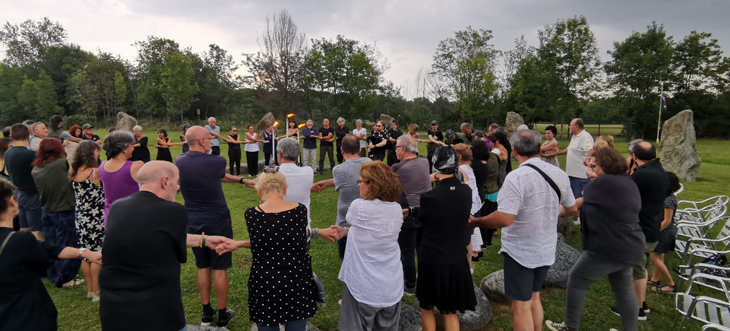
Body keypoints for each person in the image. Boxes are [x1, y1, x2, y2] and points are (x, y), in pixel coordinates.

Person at [99, 161, 234, 331]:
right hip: (156, 308)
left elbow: (157, 234)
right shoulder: (174, 211)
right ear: (165, 182)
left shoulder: (118, 206)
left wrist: (205, 240)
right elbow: (177, 251)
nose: (177, 188)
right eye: (176, 182)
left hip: (114, 308)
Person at [469, 130, 577, 331]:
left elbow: (504, 218)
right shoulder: (558, 174)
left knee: (521, 308)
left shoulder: (516, 177)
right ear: (538, 148)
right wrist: (554, 212)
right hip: (545, 248)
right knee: (534, 297)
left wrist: (476, 222)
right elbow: (572, 208)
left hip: (521, 252)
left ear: (515, 151)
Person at [545, 148, 644, 331]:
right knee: (624, 291)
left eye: (594, 165)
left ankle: (570, 326)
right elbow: (583, 202)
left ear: (604, 165)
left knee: (576, 278)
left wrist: (557, 211)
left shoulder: (603, 183)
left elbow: (574, 207)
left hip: (608, 247)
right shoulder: (626, 181)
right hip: (630, 245)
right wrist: (565, 208)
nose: (591, 168)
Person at [176, 126, 254, 327]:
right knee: (219, 268)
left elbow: (219, 176)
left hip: (192, 221)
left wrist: (242, 180)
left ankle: (206, 314)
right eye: (209, 138)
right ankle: (221, 315)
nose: (212, 141)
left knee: (202, 266)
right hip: (218, 220)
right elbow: (217, 173)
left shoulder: (180, 161)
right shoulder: (218, 161)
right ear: (202, 141)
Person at [0, 179, 102, 331]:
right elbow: (43, 264)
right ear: (12, 201)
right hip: (27, 318)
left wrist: (83, 252)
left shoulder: (17, 241)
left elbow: (46, 247)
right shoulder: (19, 240)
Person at [335, 161, 404, 331]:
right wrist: (346, 232)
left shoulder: (359, 207)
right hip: (391, 285)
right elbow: (373, 231)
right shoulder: (396, 209)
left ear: (372, 184)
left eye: (361, 182)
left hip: (363, 286)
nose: (359, 186)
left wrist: (345, 229)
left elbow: (356, 220)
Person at [417, 147, 476, 331]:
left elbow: (424, 220)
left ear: (435, 166)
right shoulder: (466, 192)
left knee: (427, 306)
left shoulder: (429, 197)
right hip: (456, 256)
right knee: (449, 310)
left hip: (432, 258)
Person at [611, 141, 667, 319]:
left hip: (641, 229)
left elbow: (621, 192)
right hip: (651, 227)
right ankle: (642, 302)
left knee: (636, 270)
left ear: (634, 157)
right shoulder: (658, 170)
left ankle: (637, 309)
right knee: (641, 268)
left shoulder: (643, 175)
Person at [31, 138, 82, 288]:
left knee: (52, 244)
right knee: (67, 243)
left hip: (47, 210)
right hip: (63, 209)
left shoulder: (36, 168)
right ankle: (66, 278)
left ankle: (54, 274)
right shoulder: (60, 163)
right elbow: (72, 176)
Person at [312, 135, 372, 258]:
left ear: (342, 150)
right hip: (368, 217)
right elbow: (353, 178)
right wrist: (328, 183)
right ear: (360, 149)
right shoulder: (369, 163)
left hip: (346, 221)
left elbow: (347, 179)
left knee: (347, 258)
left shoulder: (338, 170)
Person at [392, 135, 430, 295]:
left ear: (403, 149)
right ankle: (424, 279)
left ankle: (409, 284)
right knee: (421, 248)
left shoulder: (398, 168)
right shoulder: (424, 161)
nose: (395, 151)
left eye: (396, 148)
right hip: (426, 211)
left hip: (408, 213)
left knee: (406, 250)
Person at [69, 140, 106, 301]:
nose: (99, 154)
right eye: (97, 151)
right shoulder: (95, 172)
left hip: (81, 217)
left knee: (85, 254)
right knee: (98, 254)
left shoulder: (73, 170)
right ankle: (97, 291)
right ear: (90, 153)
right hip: (96, 217)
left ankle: (90, 289)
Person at [4, 124, 43, 239]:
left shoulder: (7, 153)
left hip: (18, 192)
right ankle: (39, 254)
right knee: (37, 230)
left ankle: (24, 249)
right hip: (32, 193)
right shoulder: (30, 154)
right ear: (29, 135)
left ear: (11, 136)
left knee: (24, 227)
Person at [98, 131, 144, 226]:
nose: (133, 148)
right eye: (132, 145)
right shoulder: (136, 166)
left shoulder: (102, 166)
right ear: (124, 148)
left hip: (111, 217)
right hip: (132, 216)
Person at [649, 171, 681, 294]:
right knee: (659, 255)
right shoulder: (667, 196)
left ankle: (671, 284)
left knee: (654, 255)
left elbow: (667, 220)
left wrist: (655, 232)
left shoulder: (668, 200)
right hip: (664, 230)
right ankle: (655, 279)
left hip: (665, 231)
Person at [453, 143, 483, 270]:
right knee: (468, 237)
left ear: (458, 156)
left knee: (465, 238)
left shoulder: (461, 170)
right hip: (474, 204)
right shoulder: (468, 167)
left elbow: (461, 187)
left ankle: (467, 265)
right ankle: (469, 263)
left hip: (467, 206)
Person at [554, 118, 594, 200]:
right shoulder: (574, 137)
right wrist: (554, 154)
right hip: (571, 173)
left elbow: (591, 149)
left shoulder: (585, 136)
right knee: (572, 198)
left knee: (579, 198)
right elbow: (569, 149)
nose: (569, 127)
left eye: (570, 125)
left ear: (576, 126)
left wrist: (588, 159)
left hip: (580, 175)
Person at [480, 137, 500, 247]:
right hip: (493, 191)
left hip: (489, 192)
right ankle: (488, 241)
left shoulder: (488, 161)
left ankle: (485, 242)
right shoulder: (494, 157)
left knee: (485, 218)